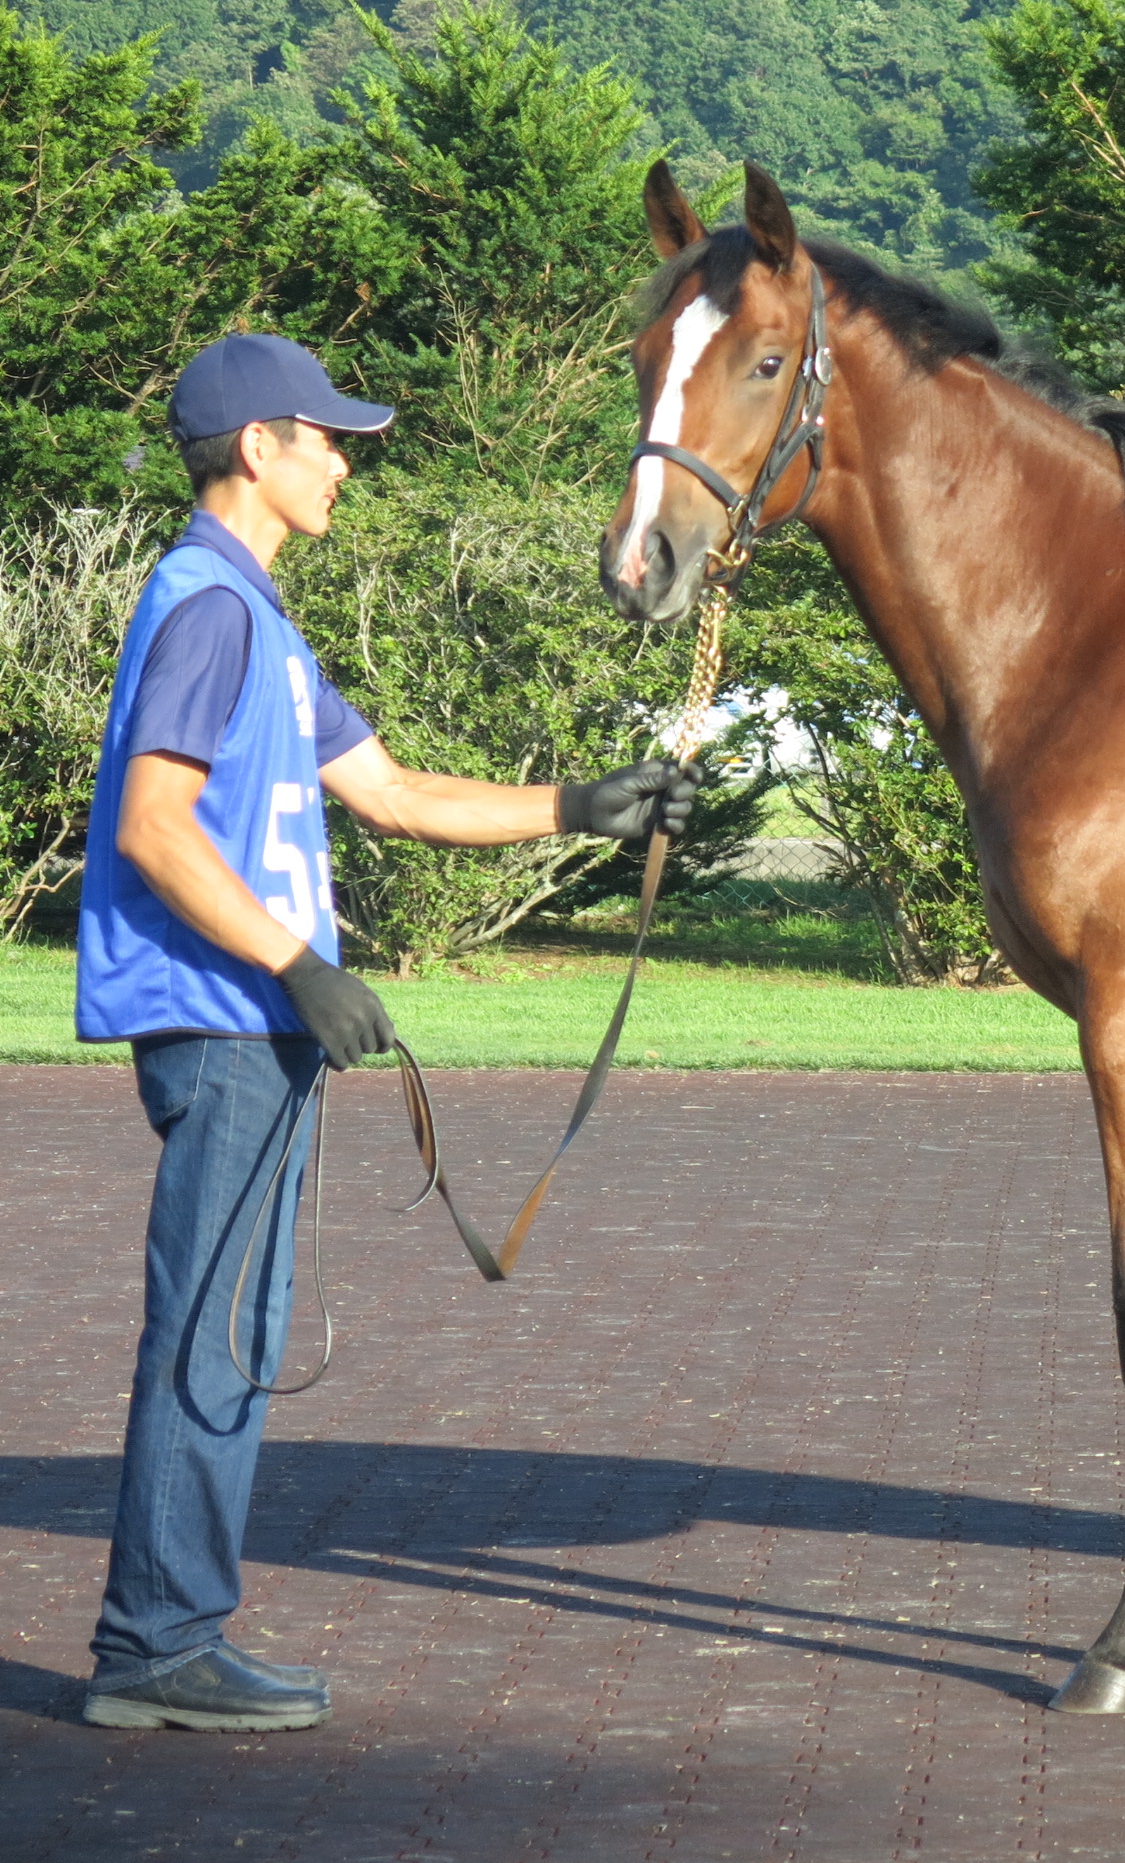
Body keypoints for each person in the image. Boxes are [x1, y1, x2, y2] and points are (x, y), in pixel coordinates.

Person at [73, 333, 697, 1732]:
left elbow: (397, 793)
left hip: (256, 1020)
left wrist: (583, 807)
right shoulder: (208, 609)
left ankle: (167, 1637)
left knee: (237, 1326)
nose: (346, 462)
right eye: (327, 438)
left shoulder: (257, 618)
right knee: (217, 1332)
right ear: (257, 450)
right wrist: (300, 966)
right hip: (229, 1019)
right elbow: (152, 828)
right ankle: (156, 1647)